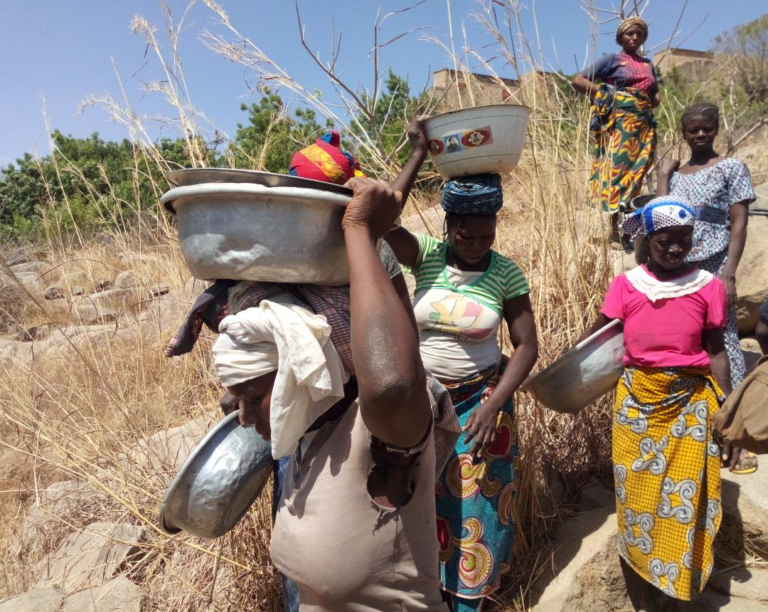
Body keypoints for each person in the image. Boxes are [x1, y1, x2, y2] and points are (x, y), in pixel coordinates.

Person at [211, 178, 449, 612]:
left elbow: (394, 384)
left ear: (304, 373)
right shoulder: (303, 433)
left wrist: (360, 229)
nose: (241, 417)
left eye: (251, 397)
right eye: (235, 400)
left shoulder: (383, 434)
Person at [385, 120, 539, 611]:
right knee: (418, 500)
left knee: (480, 508)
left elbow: (527, 345)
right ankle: (424, 596)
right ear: (448, 226)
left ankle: (473, 601)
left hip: (482, 401)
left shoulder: (505, 272)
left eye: (485, 234)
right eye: (466, 233)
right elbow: (382, 225)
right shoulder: (426, 256)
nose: (476, 243)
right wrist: (414, 155)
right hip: (423, 401)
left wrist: (495, 403)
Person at [578, 196, 749, 608]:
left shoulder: (708, 287)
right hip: (636, 405)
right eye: (665, 241)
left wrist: (726, 408)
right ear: (648, 238)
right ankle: (645, 585)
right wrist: (565, 373)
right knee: (637, 496)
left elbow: (716, 351)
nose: (675, 249)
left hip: (690, 405)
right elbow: (594, 339)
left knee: (685, 500)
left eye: (685, 240)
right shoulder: (626, 286)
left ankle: (678, 591)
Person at [656, 102, 756, 390]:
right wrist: (663, 177)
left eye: (707, 129)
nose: (700, 134)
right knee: (682, 332)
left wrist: (729, 274)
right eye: (693, 130)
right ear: (684, 133)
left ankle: (729, 404)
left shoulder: (731, 167)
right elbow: (662, 217)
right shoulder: (675, 174)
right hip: (678, 266)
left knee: (721, 333)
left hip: (715, 263)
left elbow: (739, 223)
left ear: (716, 130)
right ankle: (692, 401)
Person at [572, 16, 660, 245]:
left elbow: (655, 95)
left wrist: (646, 99)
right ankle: (613, 231)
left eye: (639, 34)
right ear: (620, 37)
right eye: (630, 33)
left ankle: (629, 232)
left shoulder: (648, 64)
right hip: (620, 125)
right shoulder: (613, 60)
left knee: (637, 175)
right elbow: (578, 81)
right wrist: (608, 95)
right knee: (617, 171)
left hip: (643, 126)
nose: (635, 37)